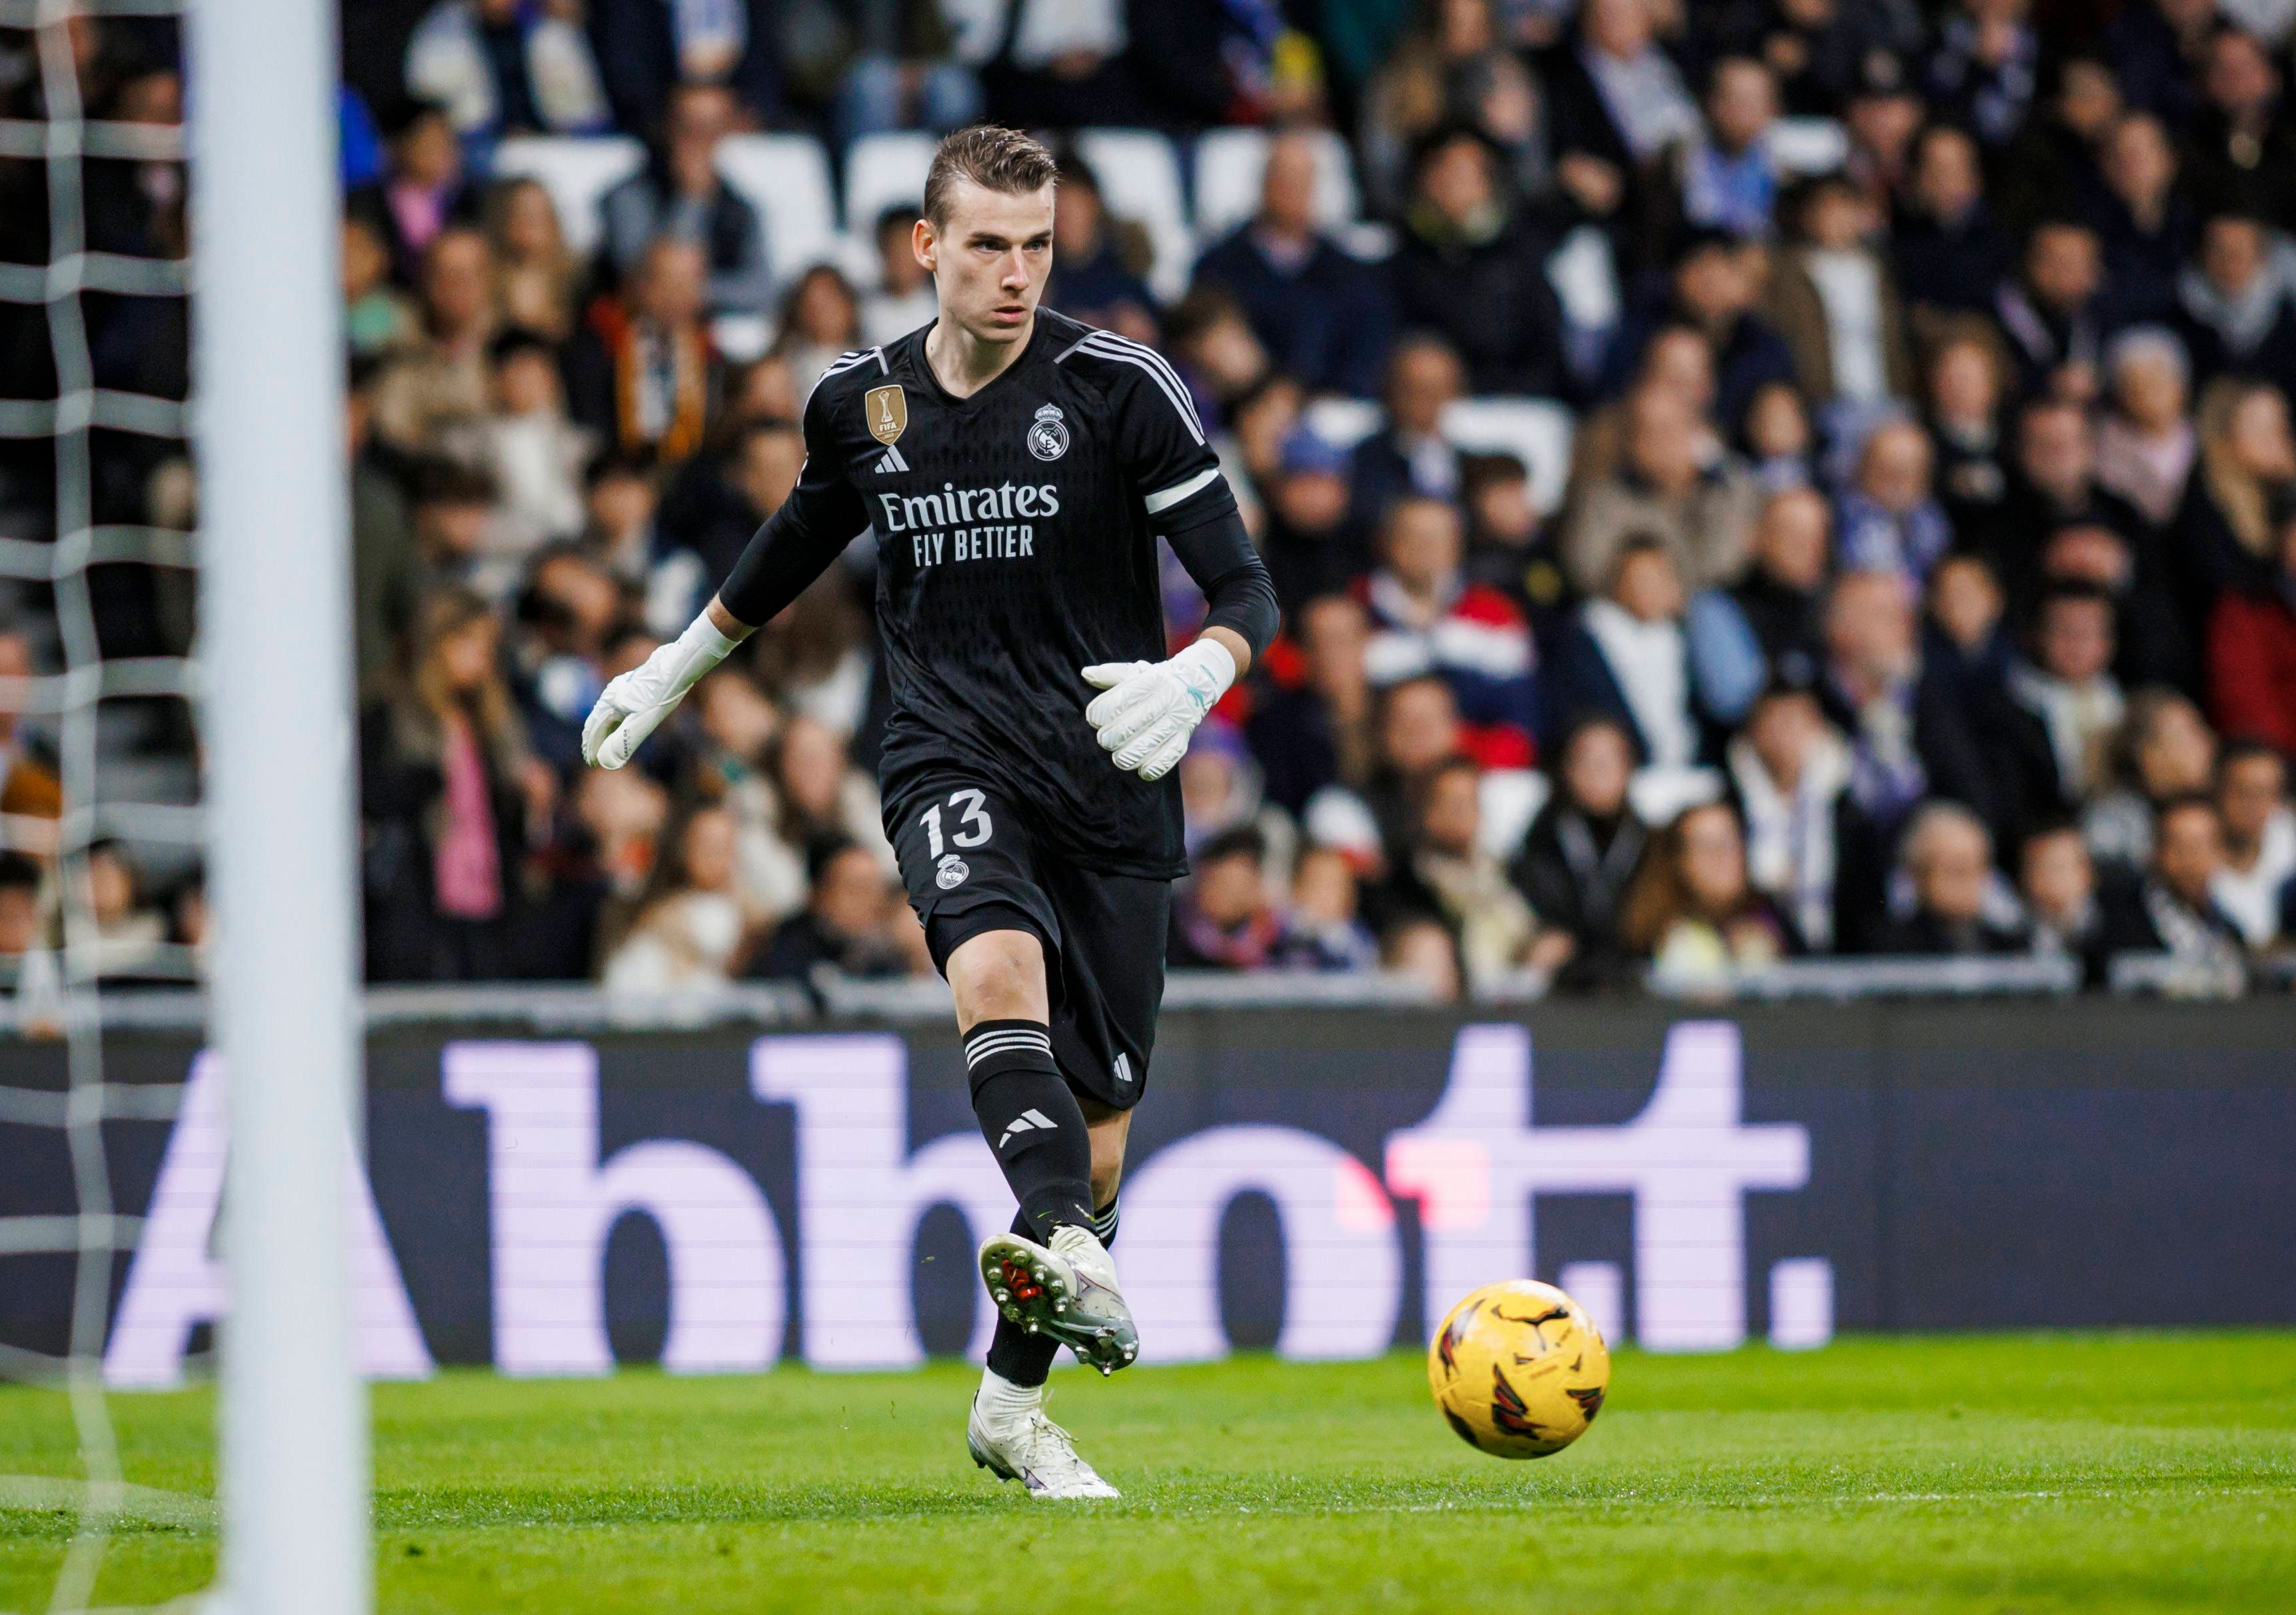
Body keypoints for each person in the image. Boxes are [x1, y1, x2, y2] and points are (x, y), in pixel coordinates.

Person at [576, 127, 1279, 1498]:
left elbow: (1246, 588)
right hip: (946, 750)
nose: (1015, 274)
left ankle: (1012, 1404)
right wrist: (677, 664)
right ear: (925, 246)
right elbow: (796, 538)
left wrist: (1202, 670)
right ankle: (1066, 1242)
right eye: (986, 245)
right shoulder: (860, 401)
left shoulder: (1123, 387)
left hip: (1113, 766)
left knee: (1102, 1125)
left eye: (1036, 246)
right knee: (992, 968)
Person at [1190, 131, 1395, 399]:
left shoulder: (1348, 272)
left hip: (1333, 407)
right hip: (1246, 406)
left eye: (1302, 181)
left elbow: (1369, 347)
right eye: (1283, 179)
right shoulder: (1219, 267)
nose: (1292, 191)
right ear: (1264, 184)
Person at [599, 82, 773, 318]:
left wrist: (700, 292)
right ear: (667, 126)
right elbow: (639, 276)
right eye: (688, 126)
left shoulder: (740, 208)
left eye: (711, 128)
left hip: (709, 337)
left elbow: (761, 290)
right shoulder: (628, 195)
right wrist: (691, 197)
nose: (698, 139)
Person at [1509, 715, 1646, 988]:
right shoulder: (1542, 837)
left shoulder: (1647, 841)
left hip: (1635, 961)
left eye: (1609, 760)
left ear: (1628, 769)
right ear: (1567, 769)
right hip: (1565, 966)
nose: (1598, 770)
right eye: (1587, 759)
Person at [1620, 798, 1794, 988]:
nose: (1720, 856)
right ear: (1679, 861)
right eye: (1704, 845)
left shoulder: (1775, 920)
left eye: (1729, 841)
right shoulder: (1647, 939)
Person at [1877, 801, 2028, 955]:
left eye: (1978, 867)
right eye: (1957, 869)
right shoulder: (1891, 948)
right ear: (1919, 873)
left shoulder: (2010, 946)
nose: (1969, 881)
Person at [2211, 739, 2294, 946]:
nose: (2254, 806)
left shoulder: (2289, 836)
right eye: (2243, 792)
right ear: (2218, 792)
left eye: (2265, 793)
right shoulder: (2192, 856)